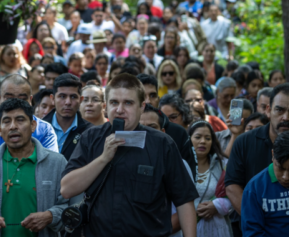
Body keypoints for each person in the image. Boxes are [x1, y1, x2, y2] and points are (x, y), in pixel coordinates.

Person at [60, 74, 199, 237]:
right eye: (114, 103)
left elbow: (184, 201)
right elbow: (67, 189)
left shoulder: (162, 144)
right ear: (105, 106)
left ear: (142, 107)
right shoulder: (90, 138)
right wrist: (103, 158)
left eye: (128, 103)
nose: (119, 110)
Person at [224, 84, 289, 234]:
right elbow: (232, 186)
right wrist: (257, 220)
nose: (286, 117)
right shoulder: (244, 142)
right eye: (279, 110)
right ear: (268, 110)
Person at [0, 99, 74, 237]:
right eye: (6, 121)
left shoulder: (57, 162)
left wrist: (49, 216)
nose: (13, 126)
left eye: (20, 120)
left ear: (33, 125)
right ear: (0, 130)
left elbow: (70, 207)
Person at [188, 121, 232, 237]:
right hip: (187, 228)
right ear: (189, 139)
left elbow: (234, 195)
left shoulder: (223, 165)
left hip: (217, 230)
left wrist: (217, 206)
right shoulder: (180, 166)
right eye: (198, 137)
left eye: (207, 138)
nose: (203, 141)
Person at [42, 74, 92, 160]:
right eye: (62, 96)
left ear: (80, 100)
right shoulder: (38, 128)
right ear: (52, 99)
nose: (68, 102)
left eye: (73, 97)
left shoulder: (90, 132)